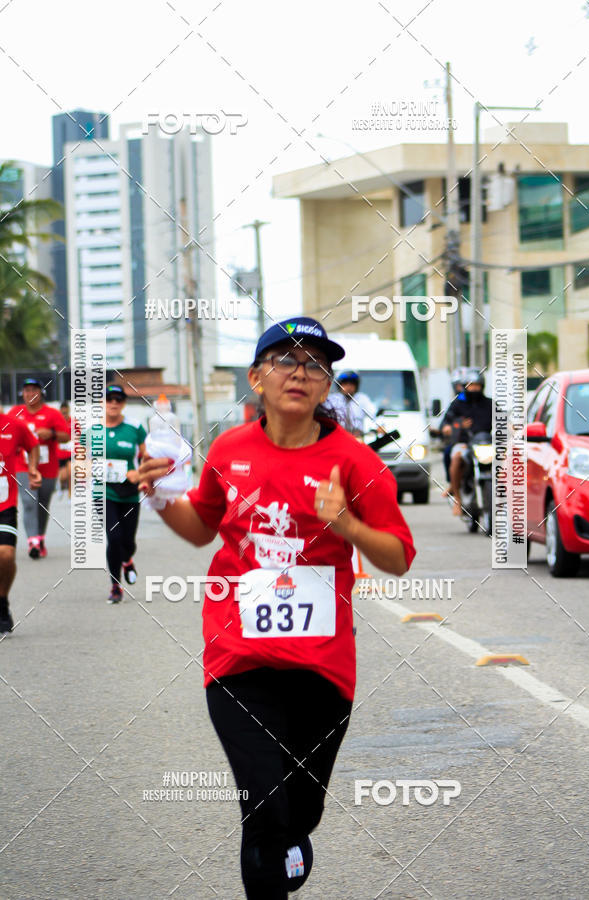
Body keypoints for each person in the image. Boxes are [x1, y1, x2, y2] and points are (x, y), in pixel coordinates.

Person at [138, 316, 416, 899]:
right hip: (239, 660)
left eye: (315, 365)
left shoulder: (356, 463)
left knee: (298, 809)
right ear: (256, 377)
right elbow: (200, 529)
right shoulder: (230, 448)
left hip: (323, 667)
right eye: (286, 360)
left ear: (327, 385)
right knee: (263, 802)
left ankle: (289, 838)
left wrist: (346, 524)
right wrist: (162, 496)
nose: (300, 373)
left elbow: (397, 557)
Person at [9, 379, 70, 559]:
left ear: (41, 393)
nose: (29, 394)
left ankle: (40, 537)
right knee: (29, 502)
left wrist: (50, 434)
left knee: (42, 505)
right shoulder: (15, 413)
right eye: (26, 391)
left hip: (47, 467)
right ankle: (33, 542)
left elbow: (66, 437)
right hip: (22, 466)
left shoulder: (52, 414)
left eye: (33, 390)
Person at [100, 385, 147, 604]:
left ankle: (127, 559)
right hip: (104, 492)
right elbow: (80, 458)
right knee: (114, 537)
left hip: (129, 492)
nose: (113, 403)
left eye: (118, 400)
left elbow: (146, 456)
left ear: (124, 404)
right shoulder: (92, 430)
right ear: (103, 402)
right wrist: (88, 466)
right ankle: (115, 585)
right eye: (109, 399)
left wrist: (140, 474)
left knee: (128, 542)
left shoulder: (134, 427)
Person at [0, 405, 41, 633]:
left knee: (6, 555)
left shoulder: (13, 425)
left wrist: (33, 467)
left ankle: (2, 600)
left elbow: (33, 445)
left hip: (4, 503)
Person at [445, 368, 492, 516]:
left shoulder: (490, 404)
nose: (474, 388)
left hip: (486, 444)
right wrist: (456, 426)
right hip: (464, 443)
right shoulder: (457, 404)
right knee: (456, 457)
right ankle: (458, 499)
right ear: (465, 386)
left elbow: (504, 421)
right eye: (471, 385)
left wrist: (513, 428)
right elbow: (446, 425)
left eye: (477, 385)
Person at [440, 366, 466, 493]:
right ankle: (452, 484)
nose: (461, 389)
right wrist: (447, 428)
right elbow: (446, 421)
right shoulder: (456, 403)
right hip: (460, 441)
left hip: (481, 441)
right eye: (459, 385)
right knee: (448, 453)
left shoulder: (485, 402)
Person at [327, 370, 376, 437]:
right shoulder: (332, 400)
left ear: (356, 386)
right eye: (345, 384)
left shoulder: (362, 399)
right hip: (337, 438)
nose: (348, 387)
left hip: (358, 439)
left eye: (351, 384)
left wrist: (375, 428)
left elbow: (374, 415)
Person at [57, 401, 73, 498]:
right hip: (60, 454)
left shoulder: (73, 423)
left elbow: (79, 437)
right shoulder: (57, 423)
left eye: (66, 413)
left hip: (71, 453)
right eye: (63, 413)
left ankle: (70, 495)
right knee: (63, 476)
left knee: (70, 473)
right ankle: (61, 486)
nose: (64, 415)